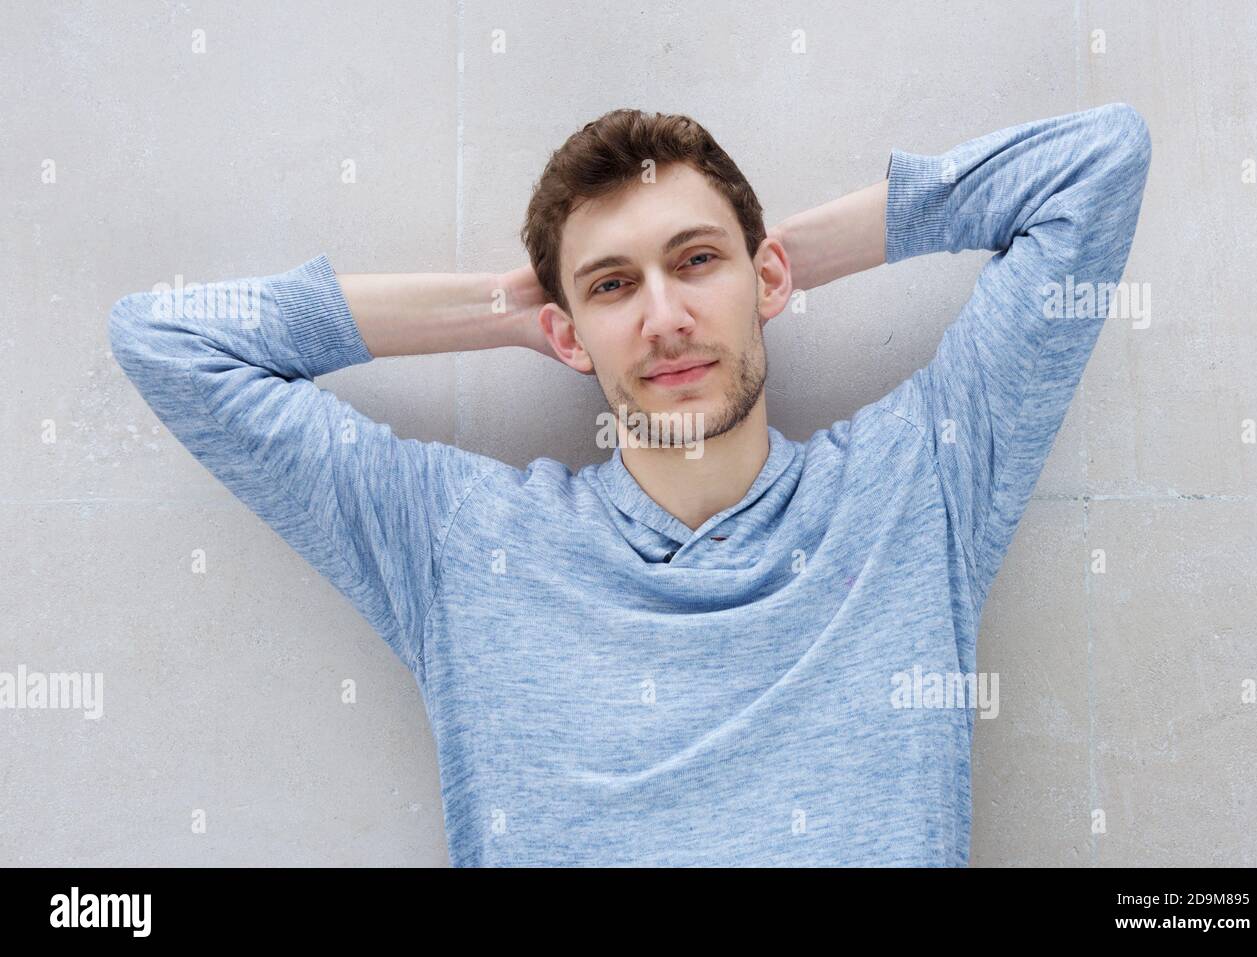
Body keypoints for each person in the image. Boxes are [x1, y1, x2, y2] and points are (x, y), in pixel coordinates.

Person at [108, 102, 1152, 866]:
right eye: (613, 286)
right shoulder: (463, 543)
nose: (663, 319)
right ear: (564, 332)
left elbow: (1097, 164)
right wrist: (499, 307)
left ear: (771, 278)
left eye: (694, 262)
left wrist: (769, 257)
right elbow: (166, 338)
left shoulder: (919, 484)